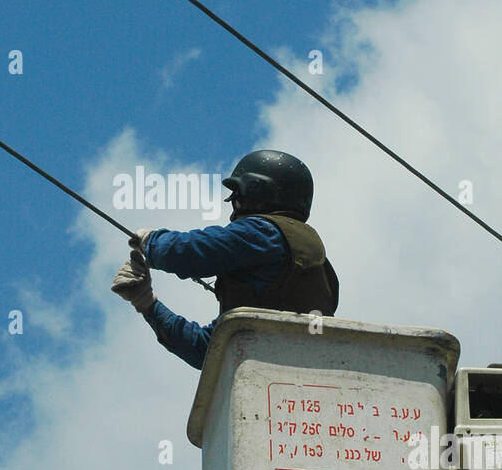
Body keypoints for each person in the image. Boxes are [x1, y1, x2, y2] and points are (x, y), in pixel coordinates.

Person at [111, 150, 338, 369]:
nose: (232, 214)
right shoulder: (309, 265)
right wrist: (147, 303)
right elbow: (206, 350)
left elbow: (194, 252)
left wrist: (153, 242)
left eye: (236, 200)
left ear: (259, 194)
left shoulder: (265, 234)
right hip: (294, 376)